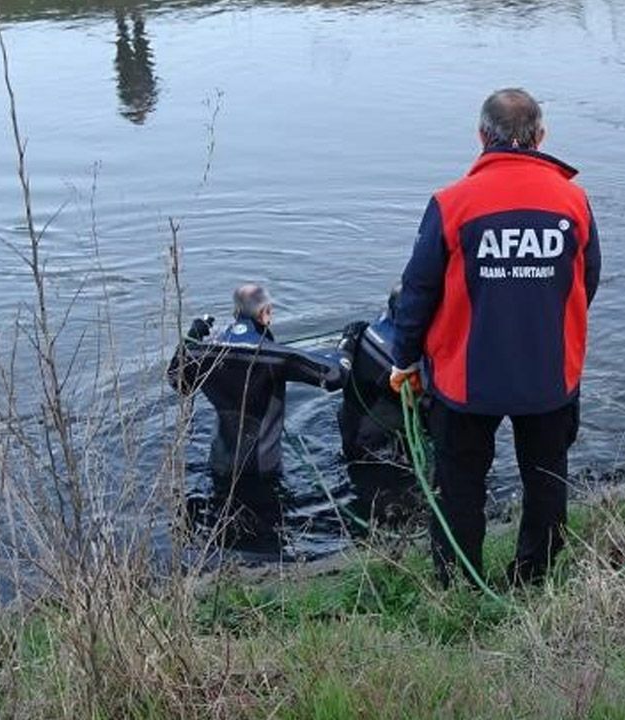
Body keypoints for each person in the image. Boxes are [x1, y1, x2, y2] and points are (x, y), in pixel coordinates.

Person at [390, 88, 602, 586]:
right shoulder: (573, 201)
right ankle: (535, 576)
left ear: (483, 137)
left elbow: (418, 290)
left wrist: (404, 360)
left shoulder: (452, 203)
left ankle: (460, 581)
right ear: (540, 138)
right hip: (549, 372)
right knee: (546, 480)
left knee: (459, 484)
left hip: (467, 379)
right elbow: (586, 280)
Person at [168, 283, 352, 523]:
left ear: (235, 313)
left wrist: (194, 335)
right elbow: (335, 376)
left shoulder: (205, 355)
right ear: (266, 313)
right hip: (263, 470)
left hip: (218, 466)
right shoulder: (276, 356)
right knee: (265, 534)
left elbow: (178, 381)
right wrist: (348, 344)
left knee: (223, 530)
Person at [337, 287, 421, 528]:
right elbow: (427, 403)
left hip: (355, 427)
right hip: (377, 448)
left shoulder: (370, 330)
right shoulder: (393, 352)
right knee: (387, 509)